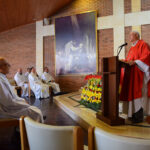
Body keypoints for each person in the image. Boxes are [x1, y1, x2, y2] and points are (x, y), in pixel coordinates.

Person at [0, 58, 43, 122]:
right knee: (36, 112)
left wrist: (22, 100)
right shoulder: (1, 80)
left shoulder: (3, 77)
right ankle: (28, 131)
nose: (9, 66)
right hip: (7, 111)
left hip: (10, 106)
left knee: (35, 110)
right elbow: (8, 102)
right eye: (6, 64)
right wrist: (23, 104)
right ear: (0, 67)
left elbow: (13, 96)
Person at [120, 31, 150, 123]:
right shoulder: (132, 48)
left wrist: (135, 62)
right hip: (131, 76)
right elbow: (130, 60)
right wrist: (124, 61)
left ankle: (138, 117)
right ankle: (132, 115)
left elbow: (147, 57)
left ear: (136, 35)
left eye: (131, 35)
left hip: (139, 76)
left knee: (138, 95)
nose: (129, 36)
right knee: (131, 95)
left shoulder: (143, 44)